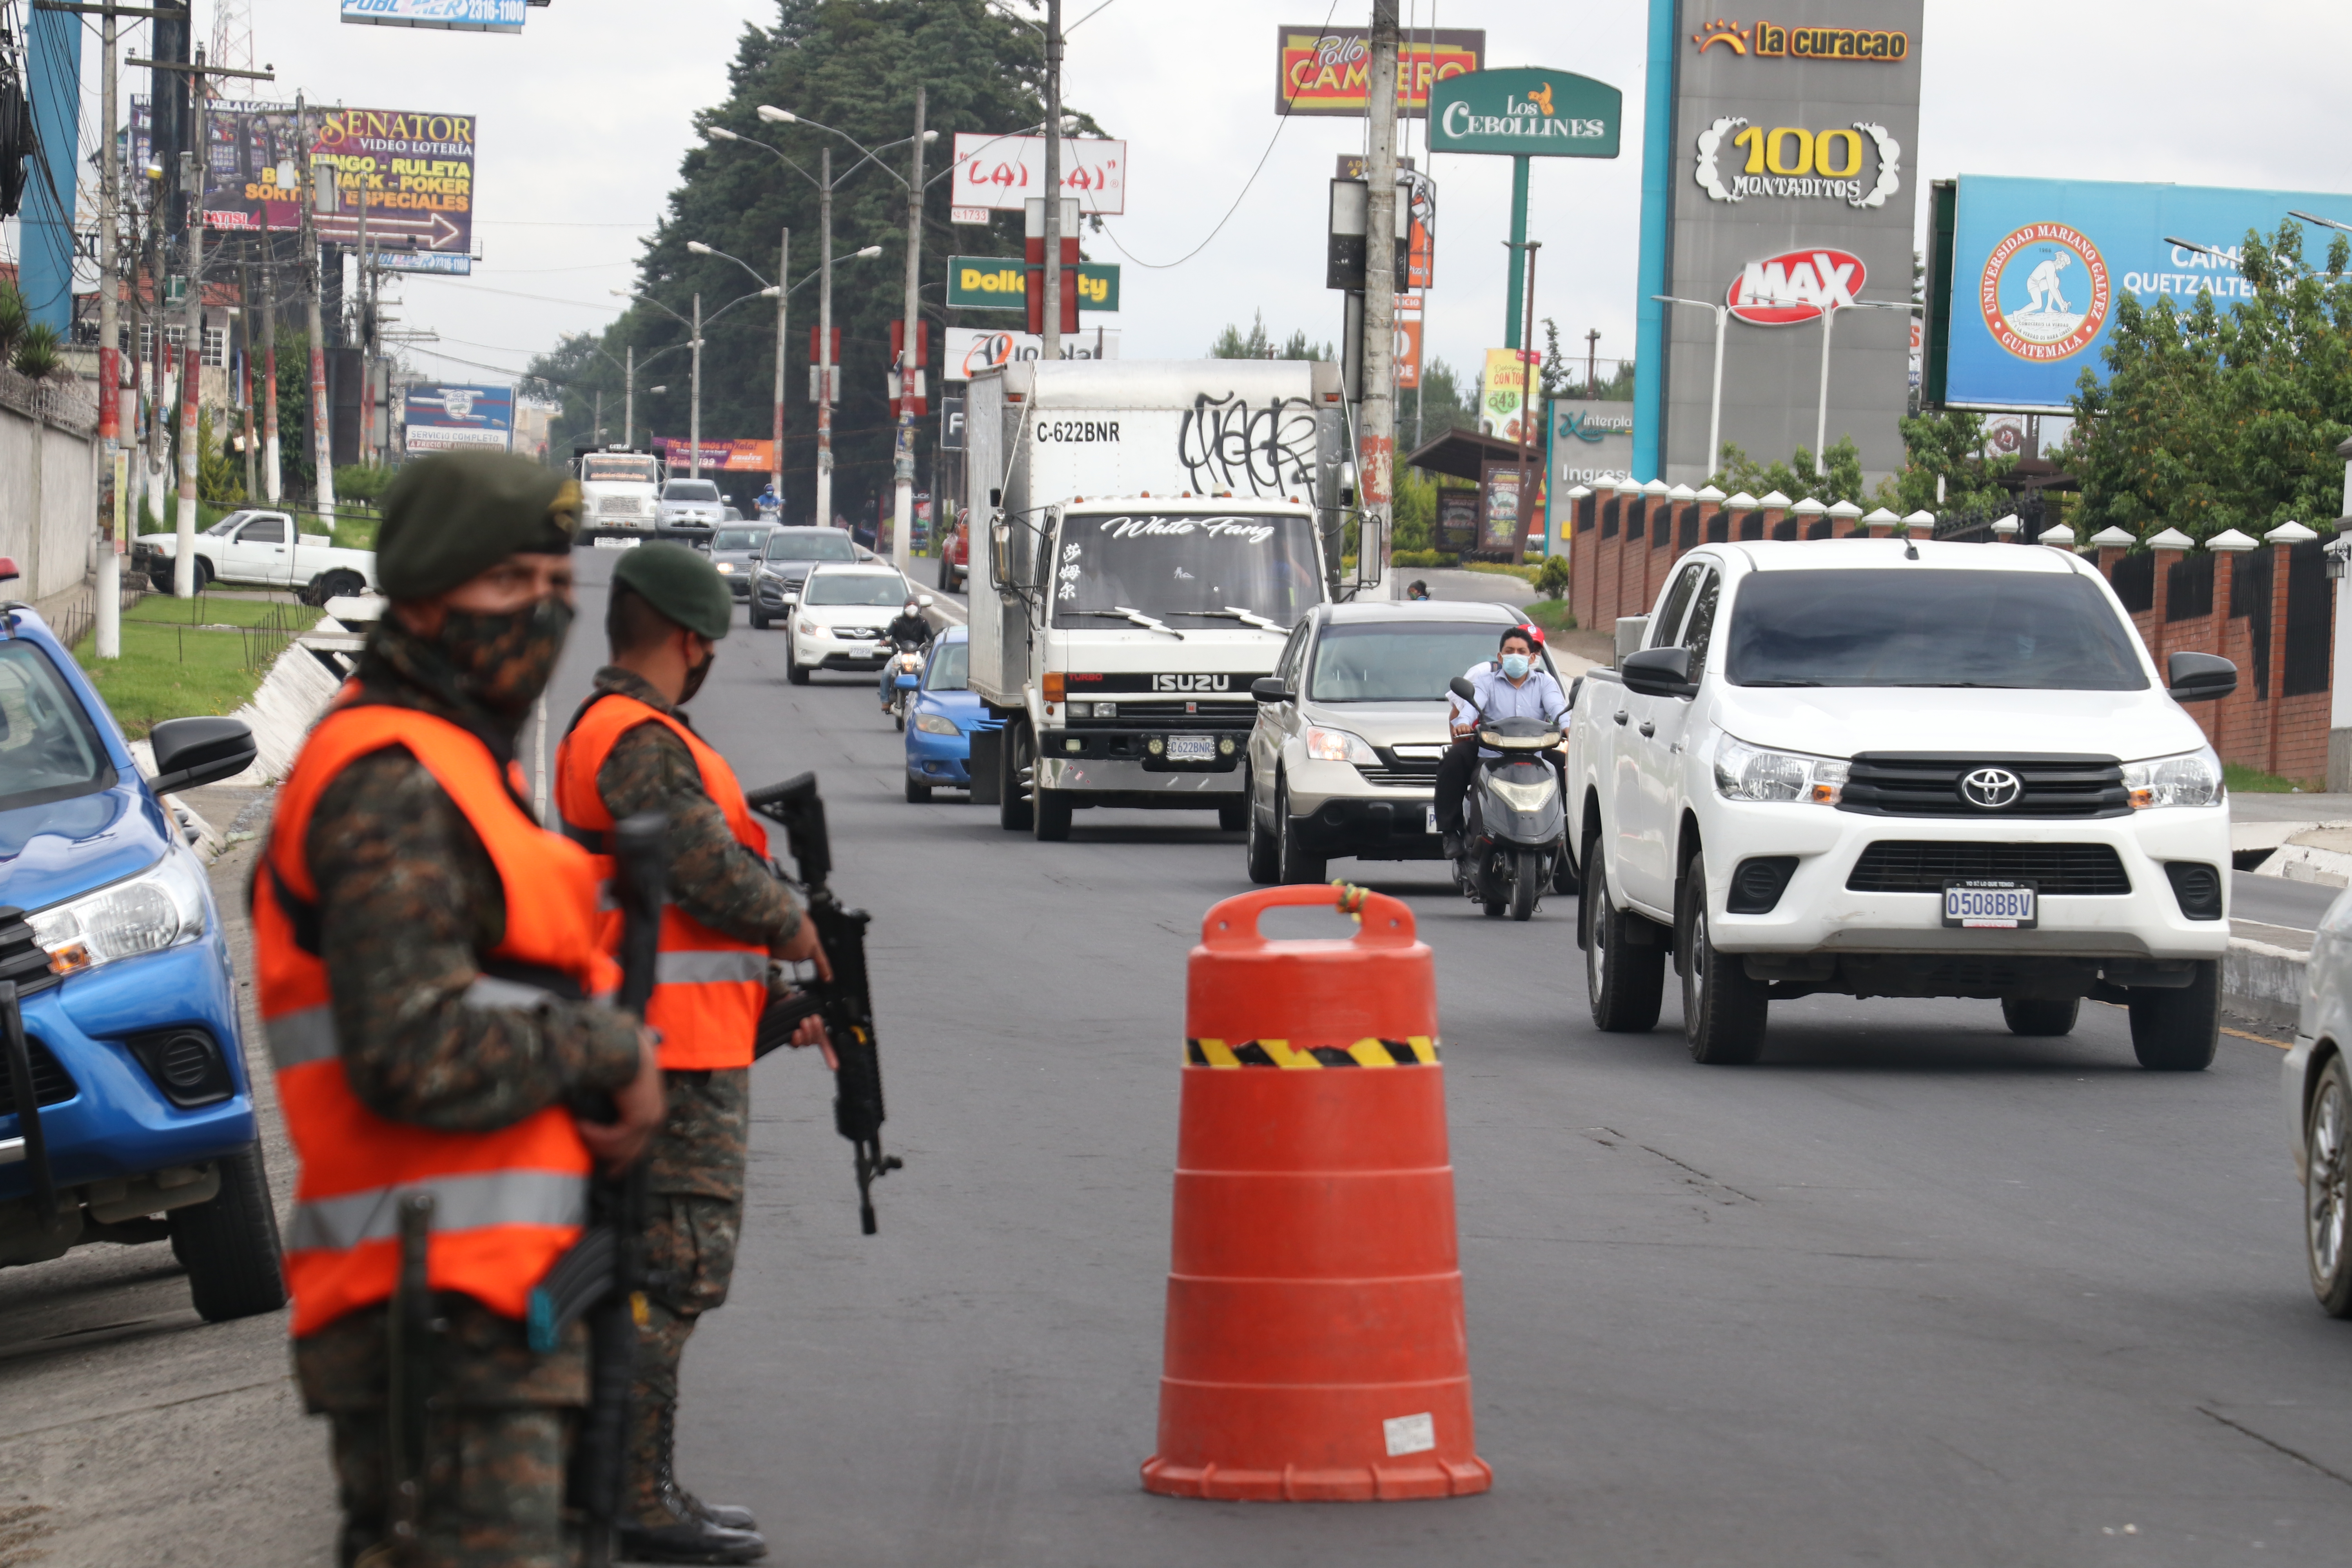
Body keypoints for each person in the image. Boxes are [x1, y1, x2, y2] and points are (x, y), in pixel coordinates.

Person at [258, 450, 666, 1568]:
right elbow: (412, 1046)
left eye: (557, 582)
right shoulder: (390, 779)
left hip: (489, 1307)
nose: (542, 611)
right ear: (426, 595)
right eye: (507, 582)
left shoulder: (461, 762)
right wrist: (611, 1048)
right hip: (432, 1319)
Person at [553, 543, 830, 1565]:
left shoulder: (632, 730)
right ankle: (632, 1495)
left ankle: (637, 1485)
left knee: (663, 1271)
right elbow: (701, 865)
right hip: (660, 1055)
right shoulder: (637, 737)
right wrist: (795, 927)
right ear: (687, 638)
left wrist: (773, 1001)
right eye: (710, 641)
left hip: (676, 1041)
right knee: (668, 1274)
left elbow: (672, 914)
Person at [1435, 623, 1570, 861]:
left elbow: (1558, 709)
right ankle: (1451, 833)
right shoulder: (1486, 682)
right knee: (1454, 759)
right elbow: (1471, 707)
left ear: (1532, 658)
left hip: (1534, 755)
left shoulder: (1545, 683)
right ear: (1500, 656)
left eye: (1521, 652)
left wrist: (1569, 726)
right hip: (1491, 755)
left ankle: (1565, 836)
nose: (1515, 656)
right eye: (1510, 651)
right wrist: (1464, 723)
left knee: (1565, 766)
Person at [879, 595, 934, 711]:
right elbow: (887, 634)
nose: (912, 607)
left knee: (928, 674)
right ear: (905, 607)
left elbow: (931, 637)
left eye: (914, 605)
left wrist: (934, 641)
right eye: (909, 605)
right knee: (887, 672)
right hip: (899, 655)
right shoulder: (897, 621)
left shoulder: (923, 621)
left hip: (918, 656)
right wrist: (884, 640)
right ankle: (885, 700)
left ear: (919, 607)